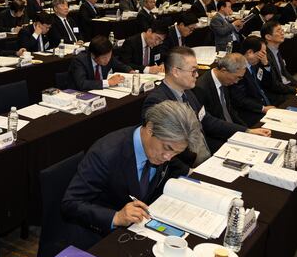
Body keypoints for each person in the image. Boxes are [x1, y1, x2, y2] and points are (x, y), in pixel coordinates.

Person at [61, 100, 203, 246]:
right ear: (150, 128)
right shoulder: (106, 154)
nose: (168, 157)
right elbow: (70, 203)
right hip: (101, 236)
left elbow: (173, 164)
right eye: (167, 148)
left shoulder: (161, 148)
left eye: (176, 153)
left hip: (140, 227)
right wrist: (116, 217)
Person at [143, 46, 270, 153]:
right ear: (176, 72)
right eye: (193, 71)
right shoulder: (157, 101)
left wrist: (246, 131)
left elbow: (206, 120)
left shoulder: (188, 93)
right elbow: (160, 147)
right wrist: (189, 170)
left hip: (203, 149)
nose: (197, 75)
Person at [228, 36, 276, 126]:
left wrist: (266, 64)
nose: (264, 56)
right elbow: (240, 99)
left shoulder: (256, 64)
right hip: (249, 111)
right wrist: (263, 108)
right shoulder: (238, 69)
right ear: (250, 52)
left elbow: (269, 84)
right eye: (262, 53)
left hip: (264, 102)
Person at [193, 53, 247, 126]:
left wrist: (246, 128)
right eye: (237, 77)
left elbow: (229, 110)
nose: (236, 82)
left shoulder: (224, 81)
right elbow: (208, 122)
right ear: (224, 71)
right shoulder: (201, 88)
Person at [67, 35, 132, 91]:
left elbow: (119, 65)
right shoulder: (79, 61)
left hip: (102, 92)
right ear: (93, 55)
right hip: (81, 94)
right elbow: (82, 84)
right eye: (104, 58)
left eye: (109, 56)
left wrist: (130, 71)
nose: (107, 60)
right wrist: (108, 82)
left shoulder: (107, 55)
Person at [260, 21, 297, 104]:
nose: (282, 33)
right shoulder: (265, 55)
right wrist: (294, 89)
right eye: (278, 31)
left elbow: (285, 73)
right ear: (268, 36)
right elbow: (273, 84)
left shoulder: (276, 50)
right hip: (276, 93)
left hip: (284, 86)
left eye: (282, 30)